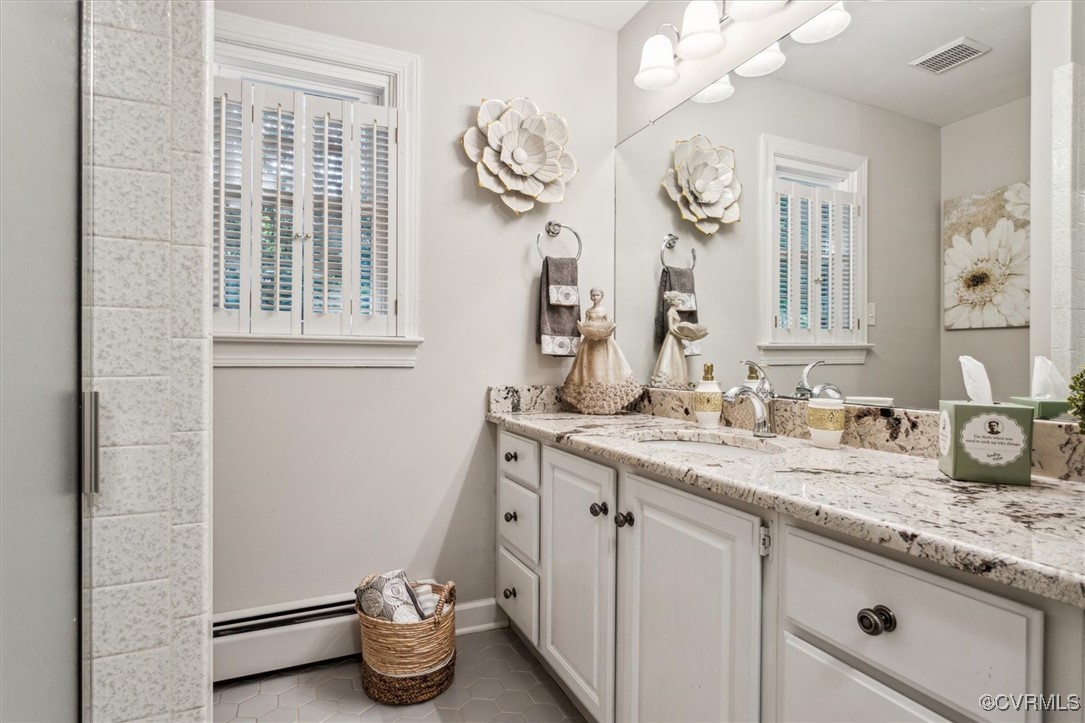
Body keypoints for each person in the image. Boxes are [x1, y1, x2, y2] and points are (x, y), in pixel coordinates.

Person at [562, 288, 642, 414]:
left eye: (597, 295)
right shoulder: (589, 311)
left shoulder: (604, 311)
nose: (595, 297)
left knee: (606, 367)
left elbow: (607, 323)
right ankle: (588, 401)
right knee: (590, 367)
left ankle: (607, 400)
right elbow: (586, 323)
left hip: (604, 341)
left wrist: (607, 330)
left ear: (602, 296)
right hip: (589, 341)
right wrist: (584, 328)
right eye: (593, 295)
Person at [650, 290, 708, 389]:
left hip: (677, 337)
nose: (680, 301)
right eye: (678, 299)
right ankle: (668, 380)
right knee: (671, 356)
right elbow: (671, 328)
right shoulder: (670, 312)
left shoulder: (675, 312)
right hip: (672, 337)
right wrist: (683, 336)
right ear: (673, 301)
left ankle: (677, 381)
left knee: (678, 358)